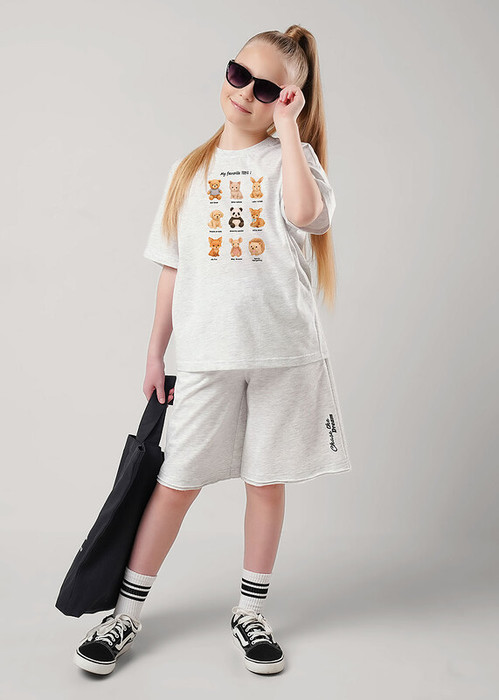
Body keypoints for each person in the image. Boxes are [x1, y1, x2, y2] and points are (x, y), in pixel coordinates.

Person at [73, 25, 352, 677]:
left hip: (284, 356)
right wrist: (155, 353)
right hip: (205, 356)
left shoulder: (293, 161)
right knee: (174, 483)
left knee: (265, 483)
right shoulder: (189, 171)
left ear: (288, 100)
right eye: (238, 74)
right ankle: (124, 613)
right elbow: (171, 268)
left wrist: (290, 132)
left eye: (268, 89)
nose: (246, 93)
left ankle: (250, 611)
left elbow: (309, 216)